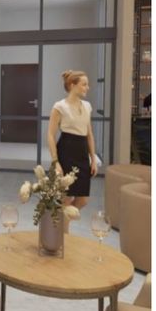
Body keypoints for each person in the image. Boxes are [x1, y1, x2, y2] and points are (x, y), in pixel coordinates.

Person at [46, 70, 98, 210]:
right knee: (66, 199)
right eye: (84, 84)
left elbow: (89, 134)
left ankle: (63, 221)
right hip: (66, 153)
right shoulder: (59, 107)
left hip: (82, 154)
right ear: (72, 85)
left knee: (83, 200)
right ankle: (63, 224)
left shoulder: (87, 106)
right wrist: (55, 162)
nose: (87, 87)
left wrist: (93, 159)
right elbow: (50, 135)